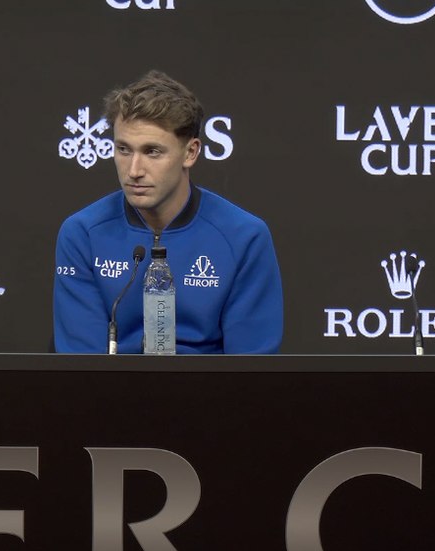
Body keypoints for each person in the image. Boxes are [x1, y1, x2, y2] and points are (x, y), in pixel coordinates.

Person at [53, 70, 282, 354]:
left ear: (191, 153)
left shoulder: (245, 237)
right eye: (123, 149)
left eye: (152, 152)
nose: (134, 170)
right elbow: (81, 367)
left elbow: (250, 372)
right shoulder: (82, 233)